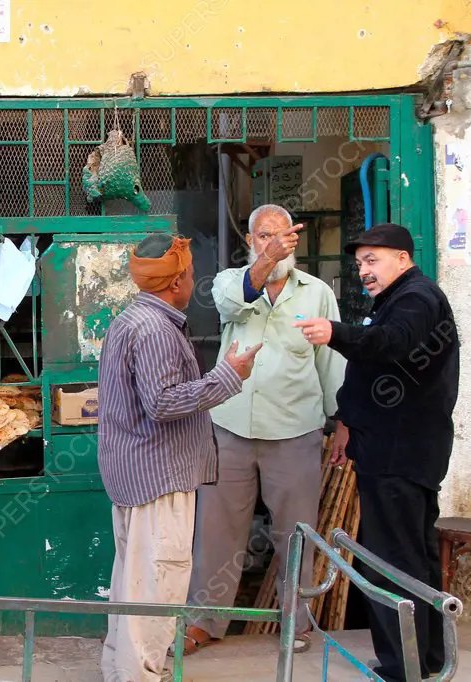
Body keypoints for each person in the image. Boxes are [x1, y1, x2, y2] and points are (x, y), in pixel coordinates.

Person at [295, 224, 459, 682]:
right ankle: (422, 660)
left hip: (399, 455)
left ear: (403, 259)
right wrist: (348, 418)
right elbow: (375, 363)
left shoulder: (416, 299)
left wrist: (334, 332)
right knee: (413, 558)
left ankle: (403, 667)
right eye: (360, 263)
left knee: (394, 562)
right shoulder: (398, 299)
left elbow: (392, 345)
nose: (364, 271)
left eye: (373, 260)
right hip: (393, 451)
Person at [97, 233, 261, 682]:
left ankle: (123, 670)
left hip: (140, 473)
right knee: (156, 583)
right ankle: (140, 675)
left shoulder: (135, 319)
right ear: (176, 283)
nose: (193, 281)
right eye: (189, 274)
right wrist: (230, 375)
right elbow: (163, 402)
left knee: (135, 583)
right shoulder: (153, 329)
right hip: (157, 476)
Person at [184, 204, 347, 654]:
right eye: (263, 236)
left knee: (295, 533)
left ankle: (297, 622)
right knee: (217, 531)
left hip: (295, 430)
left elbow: (330, 361)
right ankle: (205, 621)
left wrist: (344, 420)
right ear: (251, 241)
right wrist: (266, 260)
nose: (274, 242)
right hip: (230, 426)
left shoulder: (315, 293)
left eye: (282, 236)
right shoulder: (230, 283)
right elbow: (232, 301)